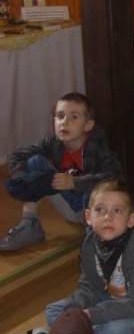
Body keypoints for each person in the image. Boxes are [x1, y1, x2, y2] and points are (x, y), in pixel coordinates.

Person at [0, 178, 134, 334]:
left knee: (116, 329)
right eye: (100, 210)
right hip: (111, 299)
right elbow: (90, 286)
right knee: (55, 311)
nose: (108, 217)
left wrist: (90, 316)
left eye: (117, 211)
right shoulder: (91, 244)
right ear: (89, 216)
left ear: (131, 219)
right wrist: (73, 312)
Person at [0, 92, 123, 251]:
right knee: (34, 161)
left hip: (98, 211)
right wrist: (21, 179)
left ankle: (97, 242)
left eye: (74, 117)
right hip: (72, 206)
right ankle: (30, 225)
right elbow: (17, 156)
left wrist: (74, 182)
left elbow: (115, 179)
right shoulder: (54, 142)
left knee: (94, 189)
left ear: (88, 125)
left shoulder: (98, 147)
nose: (65, 122)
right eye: (60, 116)